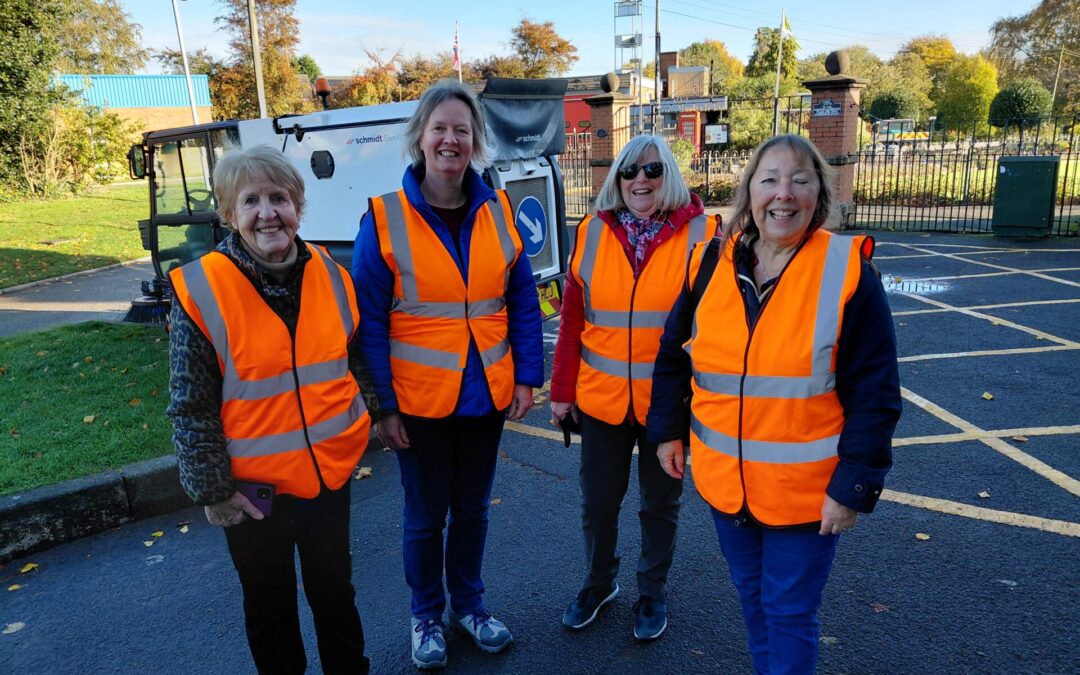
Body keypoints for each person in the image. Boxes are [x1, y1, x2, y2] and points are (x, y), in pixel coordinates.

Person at [647, 134, 901, 674]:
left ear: (819, 196)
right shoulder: (709, 264)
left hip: (805, 495)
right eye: (770, 179)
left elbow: (876, 395)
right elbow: (672, 356)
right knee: (755, 602)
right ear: (750, 192)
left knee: (788, 613)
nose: (783, 193)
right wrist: (667, 431)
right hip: (726, 484)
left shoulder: (846, 271)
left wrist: (853, 487)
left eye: (800, 180)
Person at [350, 80, 544, 670]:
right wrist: (383, 406)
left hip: (485, 394)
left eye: (462, 129)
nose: (450, 140)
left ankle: (471, 607)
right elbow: (368, 322)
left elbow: (522, 299)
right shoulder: (384, 218)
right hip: (418, 403)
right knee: (425, 515)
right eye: (440, 128)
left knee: (474, 510)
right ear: (421, 137)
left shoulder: (498, 210)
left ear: (476, 142)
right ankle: (426, 615)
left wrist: (527, 376)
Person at [167, 145, 375, 674]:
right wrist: (214, 491)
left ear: (297, 206)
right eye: (250, 201)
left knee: (336, 595)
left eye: (279, 198)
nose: (267, 213)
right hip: (251, 491)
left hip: (326, 477)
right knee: (270, 609)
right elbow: (190, 405)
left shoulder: (332, 273)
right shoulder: (203, 288)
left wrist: (366, 419)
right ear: (228, 214)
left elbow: (353, 357)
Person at [549, 134, 717, 641]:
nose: (639, 180)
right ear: (617, 179)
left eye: (652, 170)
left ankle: (652, 591)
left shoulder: (704, 235)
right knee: (598, 502)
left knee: (659, 504)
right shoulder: (592, 232)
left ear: (670, 175)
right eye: (629, 170)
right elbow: (572, 320)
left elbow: (716, 326)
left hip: (669, 405)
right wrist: (561, 391)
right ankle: (599, 583)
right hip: (601, 399)